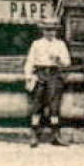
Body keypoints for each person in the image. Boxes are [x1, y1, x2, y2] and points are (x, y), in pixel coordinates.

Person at [23, 18, 71, 147]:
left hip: (54, 74)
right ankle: (34, 135)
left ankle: (55, 135)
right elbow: (30, 61)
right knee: (37, 104)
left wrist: (59, 59)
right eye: (47, 30)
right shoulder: (36, 44)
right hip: (40, 74)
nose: (50, 33)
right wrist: (28, 77)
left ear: (56, 31)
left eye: (53, 30)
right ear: (43, 31)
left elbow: (67, 63)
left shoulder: (60, 44)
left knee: (54, 105)